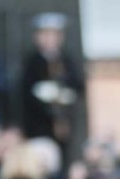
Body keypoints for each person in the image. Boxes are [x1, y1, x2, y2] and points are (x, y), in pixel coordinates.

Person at [20, 12, 84, 158]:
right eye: (45, 34)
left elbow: (77, 87)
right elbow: (27, 93)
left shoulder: (67, 61)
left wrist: (64, 95)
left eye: (54, 35)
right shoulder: (32, 62)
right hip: (40, 126)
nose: (50, 39)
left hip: (65, 123)